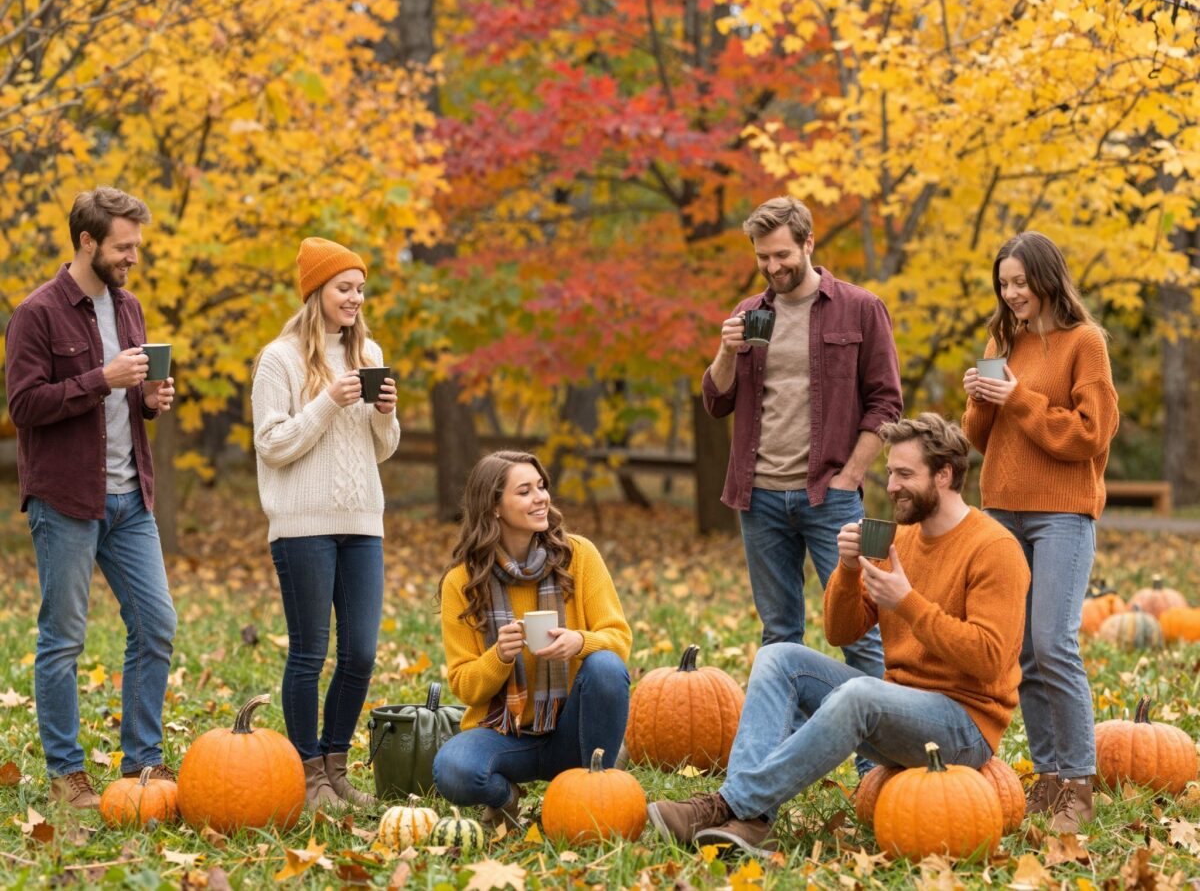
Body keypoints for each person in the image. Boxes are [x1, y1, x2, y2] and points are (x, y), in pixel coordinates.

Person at [647, 414, 1029, 855]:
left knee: (861, 693)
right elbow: (839, 631)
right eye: (889, 473)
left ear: (944, 475)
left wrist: (907, 601)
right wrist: (847, 571)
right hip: (896, 707)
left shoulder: (994, 549)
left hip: (964, 728)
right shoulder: (898, 540)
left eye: (905, 474)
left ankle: (728, 805)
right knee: (780, 658)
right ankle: (752, 822)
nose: (892, 485)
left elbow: (989, 658)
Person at [5, 186, 178, 808]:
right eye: (123, 246)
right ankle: (66, 772)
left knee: (156, 623)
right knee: (64, 638)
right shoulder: (37, 313)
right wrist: (100, 379)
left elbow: (127, 400)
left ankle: (143, 765)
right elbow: (23, 406)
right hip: (67, 501)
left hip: (131, 498)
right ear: (87, 241)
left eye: (136, 246)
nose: (133, 257)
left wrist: (149, 402)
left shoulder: (129, 307)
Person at [702, 196, 902, 700]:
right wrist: (727, 352)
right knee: (779, 637)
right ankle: (784, 755)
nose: (773, 268)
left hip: (830, 496)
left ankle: (877, 763)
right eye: (762, 258)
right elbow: (716, 400)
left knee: (860, 632)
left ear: (808, 243)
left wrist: (850, 477)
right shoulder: (749, 314)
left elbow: (886, 404)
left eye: (782, 255)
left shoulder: (860, 308)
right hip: (759, 498)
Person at [962, 232, 1119, 833]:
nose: (1012, 293)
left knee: (1054, 642)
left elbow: (1091, 433)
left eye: (1021, 282)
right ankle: (1048, 778)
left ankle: (1079, 783)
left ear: (1048, 278)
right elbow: (984, 437)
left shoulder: (1086, 343)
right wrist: (981, 398)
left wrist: (1018, 397)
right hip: (1002, 510)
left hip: (1061, 512)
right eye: (1004, 283)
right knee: (1021, 651)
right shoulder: (1004, 339)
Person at [251, 237, 400, 810]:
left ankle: (336, 767)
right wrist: (328, 402)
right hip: (301, 524)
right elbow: (272, 445)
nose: (356, 298)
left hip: (363, 521)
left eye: (361, 288)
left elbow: (382, 451)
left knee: (360, 651)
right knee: (310, 652)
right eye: (345, 287)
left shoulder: (369, 352)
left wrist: (385, 414)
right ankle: (308, 775)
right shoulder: (279, 358)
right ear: (316, 292)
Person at [433, 451, 633, 829]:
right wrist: (499, 657)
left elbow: (618, 640)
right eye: (524, 491)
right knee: (453, 770)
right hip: (506, 738)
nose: (540, 497)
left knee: (605, 665)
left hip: (571, 730)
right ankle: (506, 798)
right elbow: (464, 685)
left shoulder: (579, 556)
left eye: (541, 487)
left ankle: (597, 774)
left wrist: (579, 642)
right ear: (494, 507)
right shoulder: (462, 582)